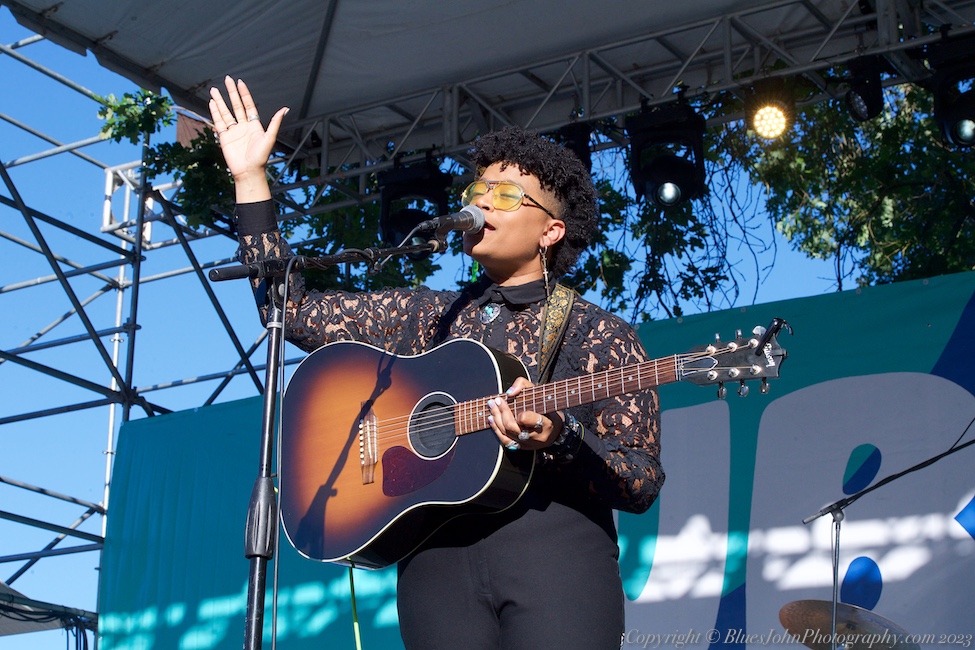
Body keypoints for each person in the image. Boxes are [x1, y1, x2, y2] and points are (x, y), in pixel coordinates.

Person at [209, 76, 664, 650]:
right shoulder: (426, 314)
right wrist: (250, 179)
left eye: (506, 195)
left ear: (551, 231)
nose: (482, 202)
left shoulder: (599, 333)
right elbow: (289, 311)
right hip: (434, 564)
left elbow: (640, 480)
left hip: (556, 560)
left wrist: (561, 436)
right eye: (478, 190)